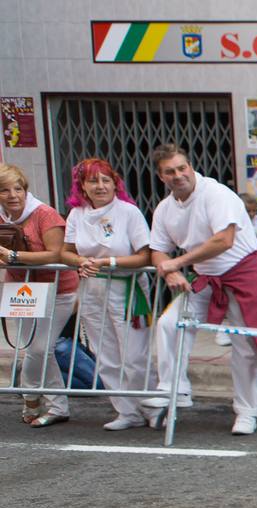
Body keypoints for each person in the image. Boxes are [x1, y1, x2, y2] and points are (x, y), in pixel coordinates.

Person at [146, 144, 257, 436]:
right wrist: (169, 269)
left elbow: (223, 239)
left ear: (191, 166)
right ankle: (174, 388)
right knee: (169, 324)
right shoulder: (164, 209)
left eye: (182, 168)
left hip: (245, 273)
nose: (178, 175)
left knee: (246, 345)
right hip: (207, 277)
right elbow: (158, 250)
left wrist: (177, 263)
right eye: (170, 171)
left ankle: (247, 411)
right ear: (161, 176)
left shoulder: (216, 193)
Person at [58, 158, 154, 431]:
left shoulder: (128, 212)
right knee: (106, 353)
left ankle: (151, 405)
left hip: (126, 288)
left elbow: (144, 255)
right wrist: (80, 262)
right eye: (93, 181)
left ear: (115, 184)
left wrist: (108, 263)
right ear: (82, 187)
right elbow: (65, 251)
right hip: (92, 287)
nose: (100, 186)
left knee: (134, 353)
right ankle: (126, 411)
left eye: (105, 180)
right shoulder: (77, 215)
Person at [0, 163, 80, 427]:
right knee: (34, 350)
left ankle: (31, 398)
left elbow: (56, 253)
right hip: (20, 290)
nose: (13, 195)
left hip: (57, 289)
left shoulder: (44, 214)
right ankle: (58, 406)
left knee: (39, 348)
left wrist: (13, 256)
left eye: (18, 188)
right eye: (4, 190)